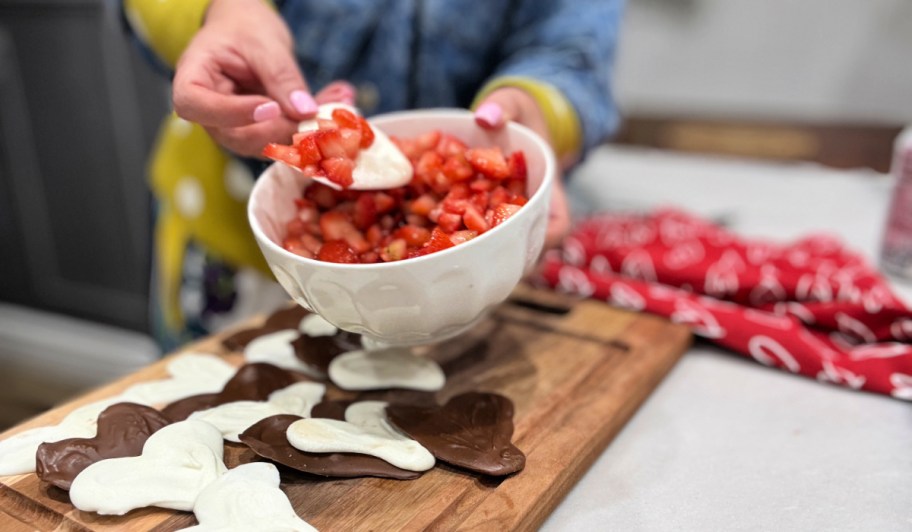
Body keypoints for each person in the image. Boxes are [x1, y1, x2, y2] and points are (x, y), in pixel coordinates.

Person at [121, 0, 624, 350]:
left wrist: (538, 108)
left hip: (472, 285)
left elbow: (572, 49)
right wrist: (219, 10)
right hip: (232, 247)